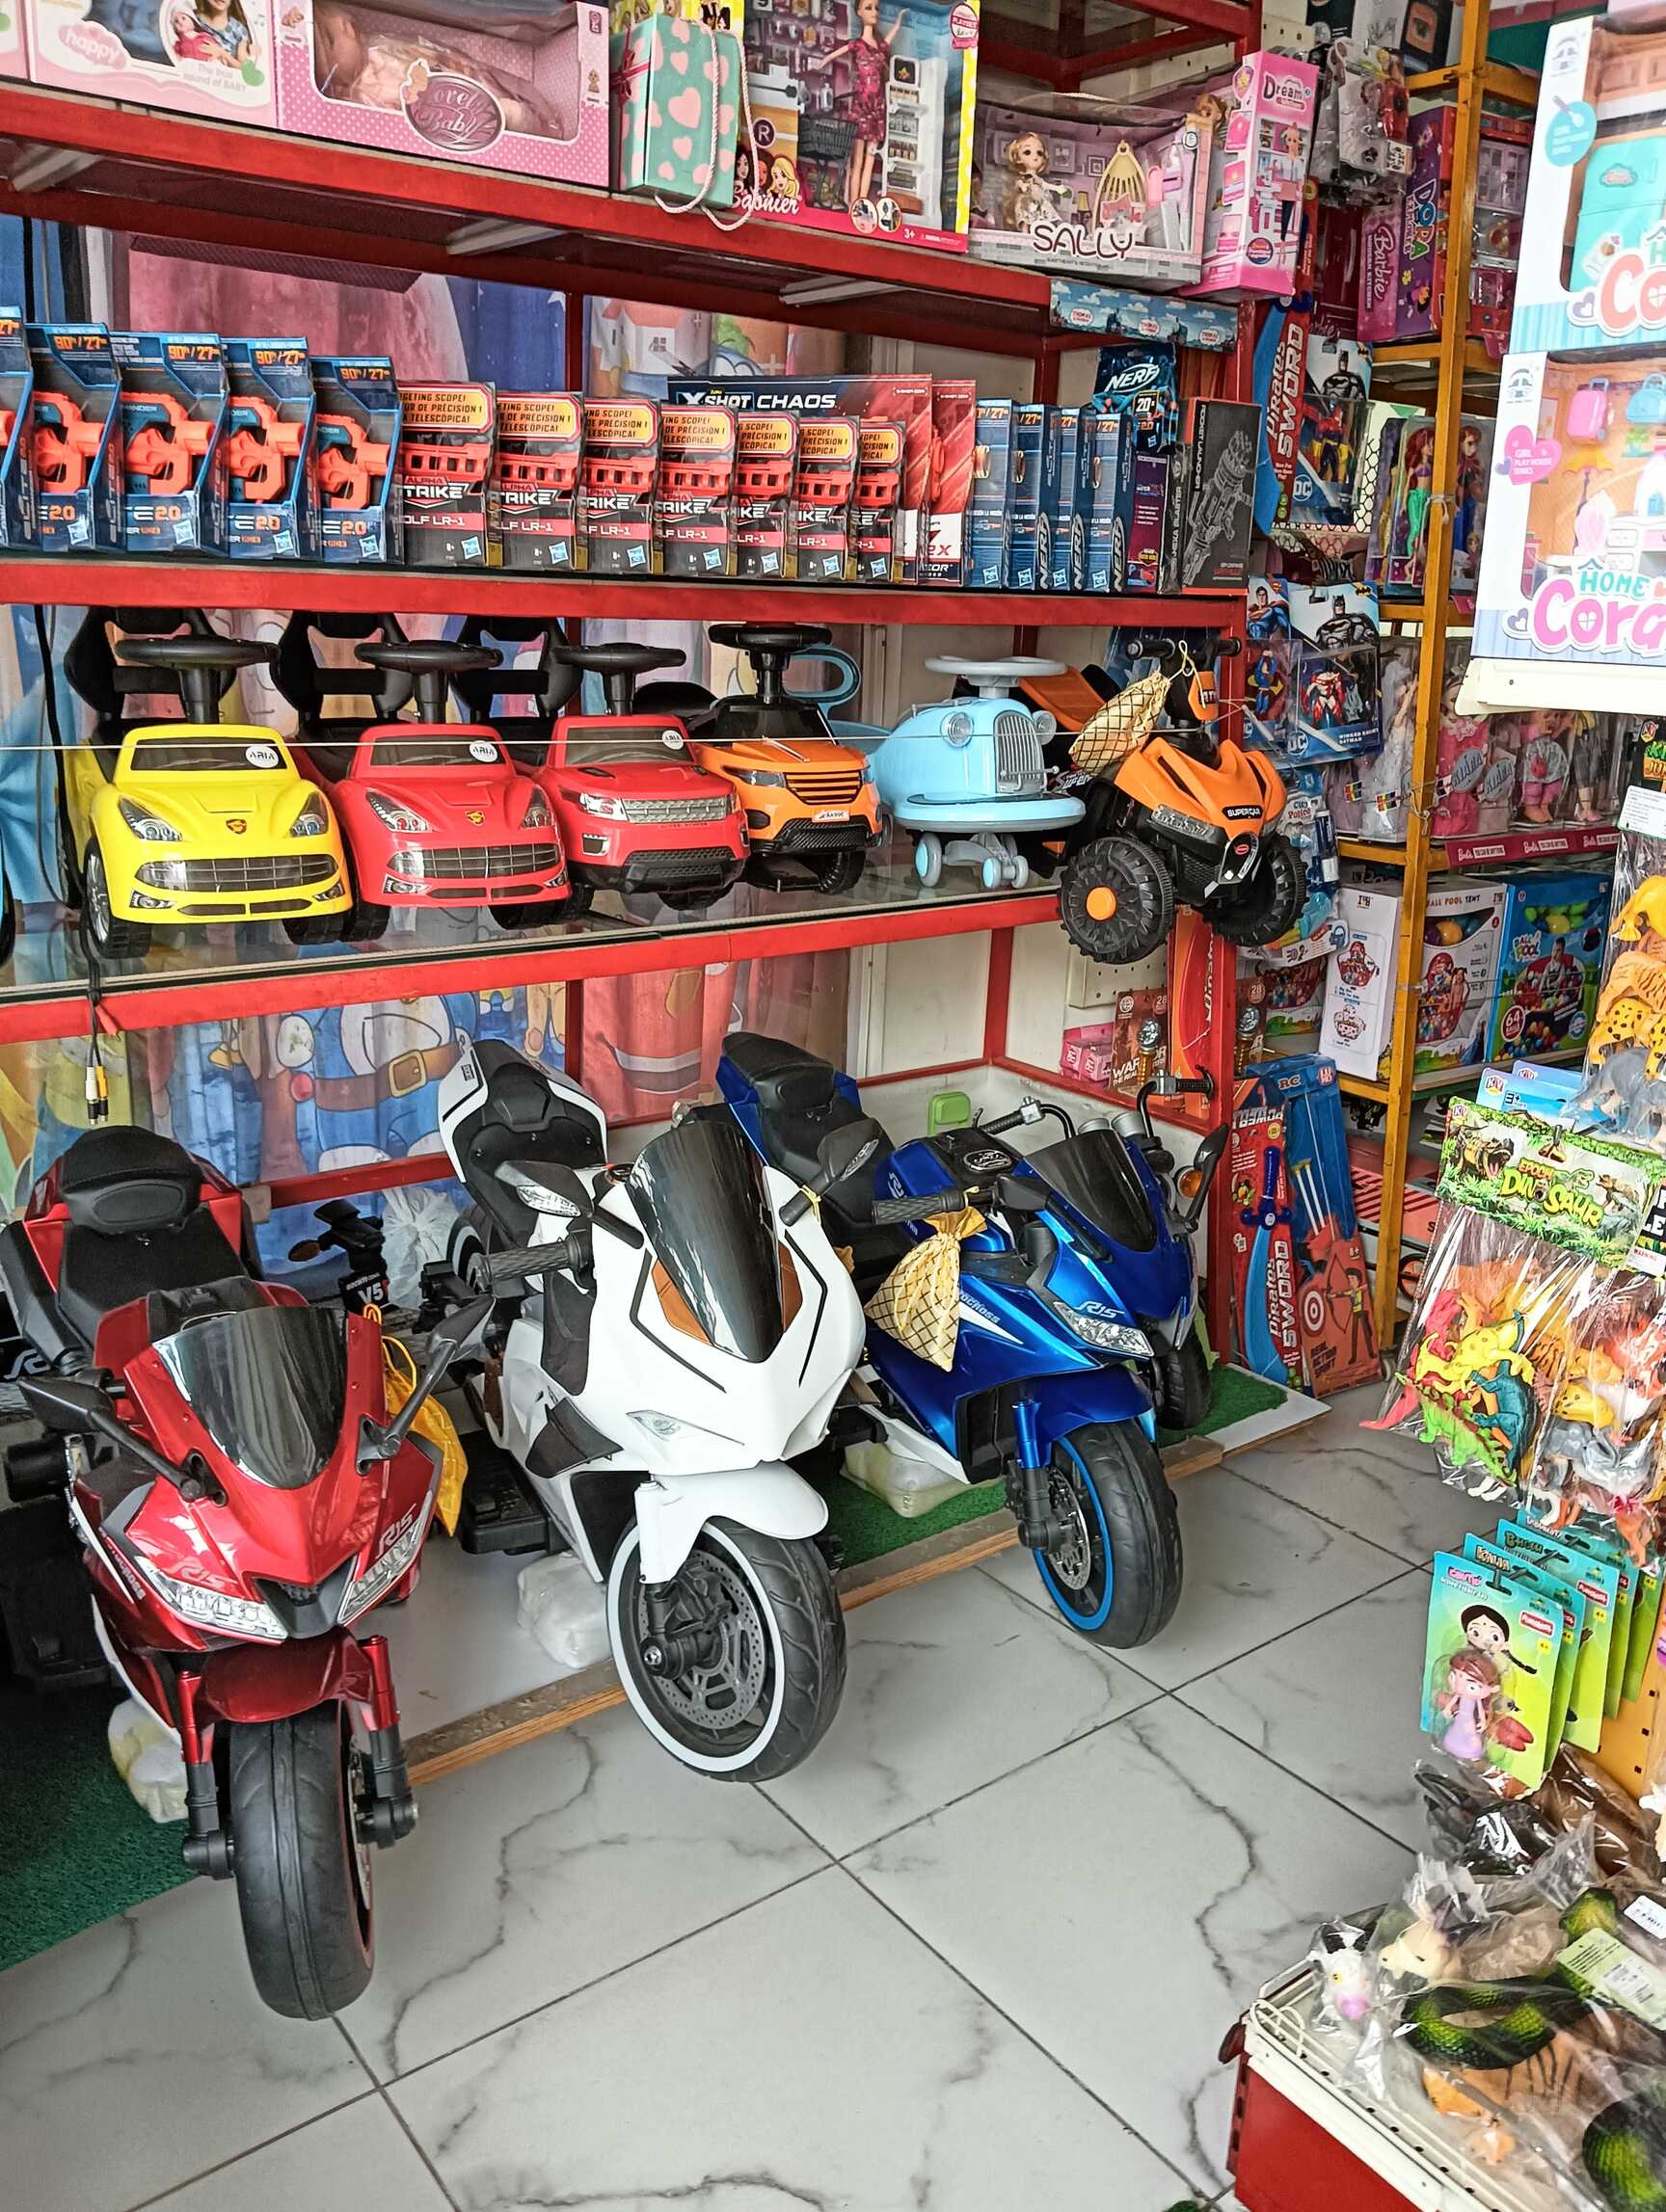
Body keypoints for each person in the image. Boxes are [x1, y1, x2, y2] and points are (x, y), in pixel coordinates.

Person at [807, 0, 905, 218]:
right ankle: (854, 204)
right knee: (857, 160)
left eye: (876, 8)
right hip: (861, 107)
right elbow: (834, 54)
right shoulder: (857, 45)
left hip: (877, 108)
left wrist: (898, 23)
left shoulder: (880, 48)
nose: (874, 12)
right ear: (859, 12)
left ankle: (862, 205)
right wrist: (821, 63)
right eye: (869, 7)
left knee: (870, 159)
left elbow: (889, 39)